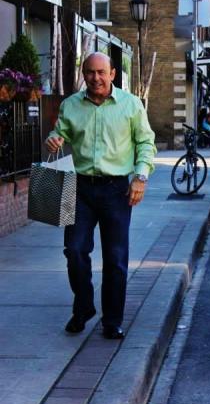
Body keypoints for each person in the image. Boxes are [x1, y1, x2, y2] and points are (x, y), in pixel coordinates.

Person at [45, 52, 157, 339]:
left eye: (101, 72)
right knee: (75, 251)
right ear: (84, 74)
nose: (96, 78)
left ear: (113, 75)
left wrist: (140, 177)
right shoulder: (71, 105)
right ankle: (83, 306)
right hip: (80, 187)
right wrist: (53, 139)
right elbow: (60, 135)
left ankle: (112, 320)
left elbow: (146, 143)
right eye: (90, 72)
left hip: (117, 189)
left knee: (116, 258)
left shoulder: (130, 105)